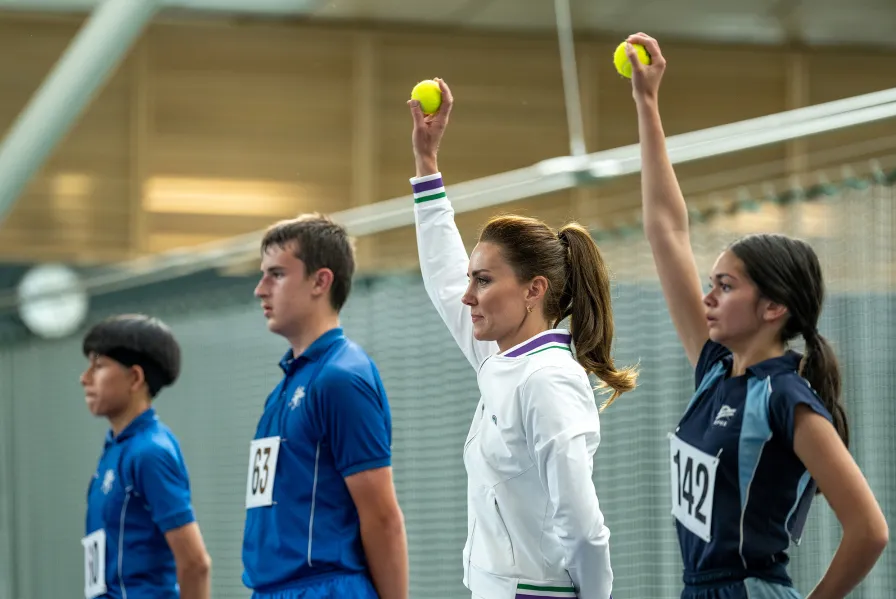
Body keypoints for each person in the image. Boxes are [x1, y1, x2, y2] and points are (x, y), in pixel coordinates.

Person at [624, 32, 889, 599]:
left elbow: (870, 530)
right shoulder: (716, 370)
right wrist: (647, 103)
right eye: (711, 284)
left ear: (773, 307)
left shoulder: (787, 399)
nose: (708, 298)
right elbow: (666, 230)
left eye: (725, 286)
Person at [408, 79, 637, 599]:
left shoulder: (548, 380)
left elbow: (583, 527)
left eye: (483, 281)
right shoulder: (501, 359)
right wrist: (427, 162)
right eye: (471, 278)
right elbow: (443, 274)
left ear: (534, 290)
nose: (467, 295)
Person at [241, 214, 409, 599]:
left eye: (277, 274)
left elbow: (382, 517)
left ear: (320, 281)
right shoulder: (284, 389)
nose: (260, 290)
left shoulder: (341, 378)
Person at [81, 314, 211, 599]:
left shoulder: (150, 452)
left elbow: (195, 564)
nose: (84, 378)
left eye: (98, 366)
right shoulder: (116, 450)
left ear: (135, 378)